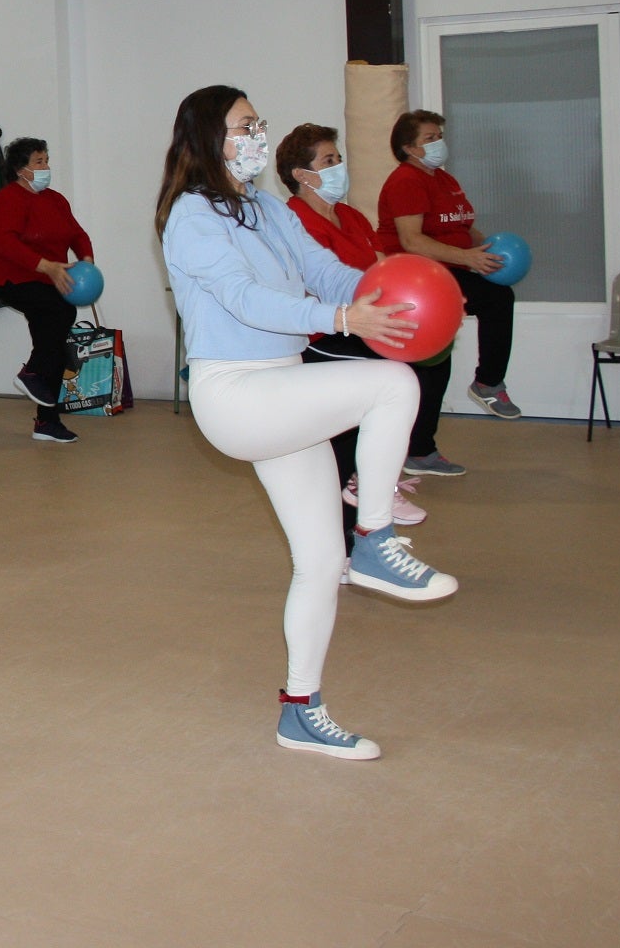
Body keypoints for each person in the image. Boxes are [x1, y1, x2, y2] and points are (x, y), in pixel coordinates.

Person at [159, 88, 459, 762]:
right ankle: (376, 539)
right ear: (210, 138)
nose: (257, 133)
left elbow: (321, 270)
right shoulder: (191, 216)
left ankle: (301, 709)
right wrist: (346, 321)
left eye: (259, 122)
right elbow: (245, 298)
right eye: (245, 125)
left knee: (320, 564)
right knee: (392, 384)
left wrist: (377, 285)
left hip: (281, 389)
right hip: (236, 394)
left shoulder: (267, 206)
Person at [276, 124, 436, 543]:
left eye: (338, 159)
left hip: (360, 326)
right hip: (322, 336)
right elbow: (310, 287)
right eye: (328, 161)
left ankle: (359, 532)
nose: (338, 168)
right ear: (301, 174)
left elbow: (381, 267)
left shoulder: (350, 215)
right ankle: (364, 496)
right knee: (391, 380)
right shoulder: (294, 219)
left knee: (404, 373)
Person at [377, 110, 522, 424]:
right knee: (497, 300)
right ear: (410, 148)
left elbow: (462, 227)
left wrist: (487, 252)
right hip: (418, 275)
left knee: (492, 302)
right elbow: (412, 241)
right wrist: (469, 258)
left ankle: (425, 446)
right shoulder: (406, 181)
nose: (438, 143)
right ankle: (487, 383)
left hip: (449, 269)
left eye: (439, 137)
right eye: (429, 139)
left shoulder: (443, 179)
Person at [0, 137, 93, 445]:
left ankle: (47, 421)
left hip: (50, 279)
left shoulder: (55, 200)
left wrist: (86, 261)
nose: (46, 167)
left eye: (46, 160)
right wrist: (45, 265)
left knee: (55, 340)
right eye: (38, 162)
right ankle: (31, 374)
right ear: (21, 170)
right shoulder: (7, 200)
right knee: (61, 311)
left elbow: (77, 233)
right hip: (13, 280)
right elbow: (5, 243)